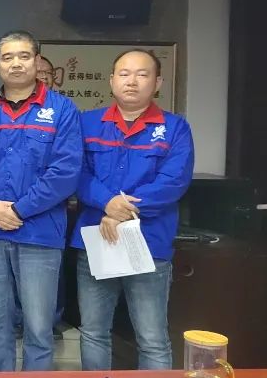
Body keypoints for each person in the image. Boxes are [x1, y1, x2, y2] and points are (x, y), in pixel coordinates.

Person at [72, 49, 194, 370]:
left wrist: (121, 211)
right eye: (124, 74)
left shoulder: (175, 128)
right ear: (111, 80)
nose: (132, 81)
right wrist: (107, 202)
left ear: (157, 82)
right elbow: (75, 173)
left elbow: (174, 181)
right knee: (93, 331)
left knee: (152, 337)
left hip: (149, 242)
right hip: (97, 239)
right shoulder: (88, 123)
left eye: (142, 74)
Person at [0, 30, 82, 372]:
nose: (16, 63)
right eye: (7, 57)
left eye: (23, 56)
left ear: (37, 61)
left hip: (40, 232)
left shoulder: (62, 110)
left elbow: (65, 172)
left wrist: (20, 209)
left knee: (38, 326)